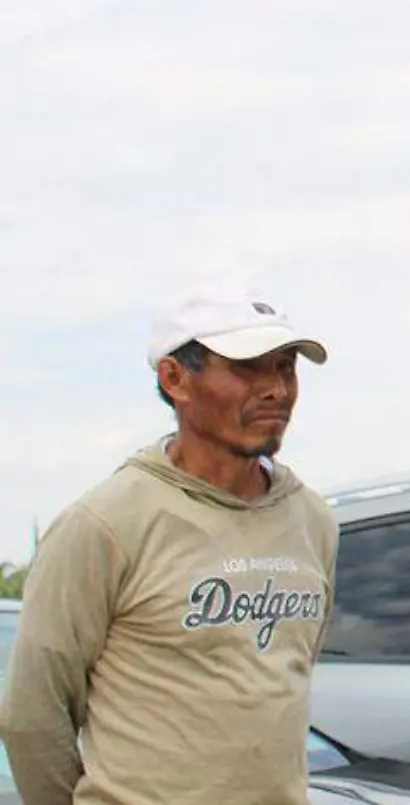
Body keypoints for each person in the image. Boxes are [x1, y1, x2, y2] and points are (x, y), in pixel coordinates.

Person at [0, 282, 338, 805]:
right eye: (248, 367)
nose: (276, 389)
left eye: (286, 367)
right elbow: (32, 716)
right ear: (175, 378)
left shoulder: (312, 520)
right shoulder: (106, 524)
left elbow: (289, 680)